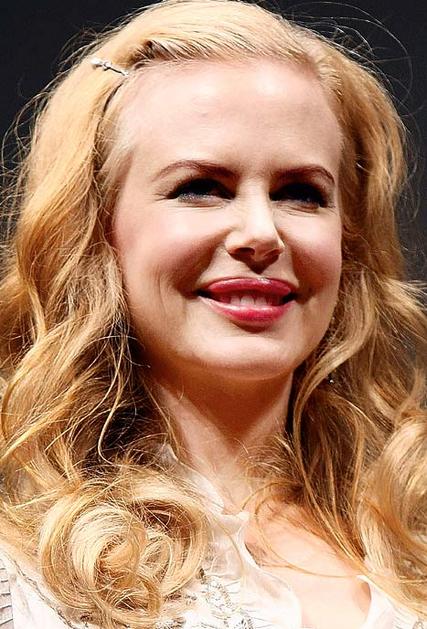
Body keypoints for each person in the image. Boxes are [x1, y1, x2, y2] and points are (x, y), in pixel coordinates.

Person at [0, 0, 425, 627]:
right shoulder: (21, 571)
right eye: (200, 187)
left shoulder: (411, 535)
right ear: (96, 231)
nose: (261, 233)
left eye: (301, 194)